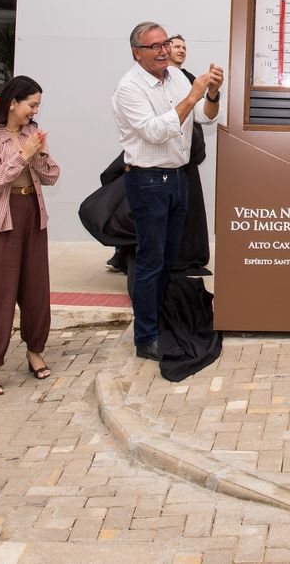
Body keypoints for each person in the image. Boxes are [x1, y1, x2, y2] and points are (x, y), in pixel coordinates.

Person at [112, 22, 223, 361]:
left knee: (170, 259)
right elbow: (156, 131)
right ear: (137, 53)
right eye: (155, 46)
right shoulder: (129, 88)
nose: (163, 51)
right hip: (148, 182)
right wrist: (193, 95)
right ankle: (145, 337)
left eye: (165, 44)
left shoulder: (175, 77)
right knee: (150, 261)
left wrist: (212, 94)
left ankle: (162, 321)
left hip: (178, 177)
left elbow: (204, 117)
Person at [0, 75, 60, 394]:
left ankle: (35, 351)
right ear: (12, 103)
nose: (34, 111)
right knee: (0, 293)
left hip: (32, 213)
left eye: (37, 106)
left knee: (36, 290)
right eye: (31, 105)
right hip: (0, 218)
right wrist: (23, 154)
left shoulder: (30, 133)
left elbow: (52, 176)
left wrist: (36, 153)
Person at [166, 34, 212, 277]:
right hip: (160, 153)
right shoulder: (156, 78)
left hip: (185, 154)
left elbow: (203, 114)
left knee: (188, 208)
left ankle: (187, 256)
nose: (181, 50)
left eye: (184, 47)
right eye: (176, 46)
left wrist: (212, 93)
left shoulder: (190, 79)